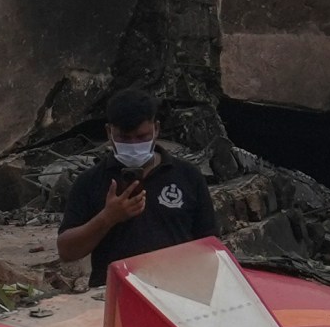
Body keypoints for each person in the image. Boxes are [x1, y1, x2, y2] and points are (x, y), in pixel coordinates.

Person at [57, 89, 218, 283]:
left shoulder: (187, 176)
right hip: (114, 293)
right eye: (124, 138)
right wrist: (108, 218)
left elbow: (210, 245)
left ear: (156, 129)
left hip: (176, 291)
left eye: (141, 137)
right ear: (109, 132)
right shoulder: (90, 181)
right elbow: (67, 251)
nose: (134, 145)